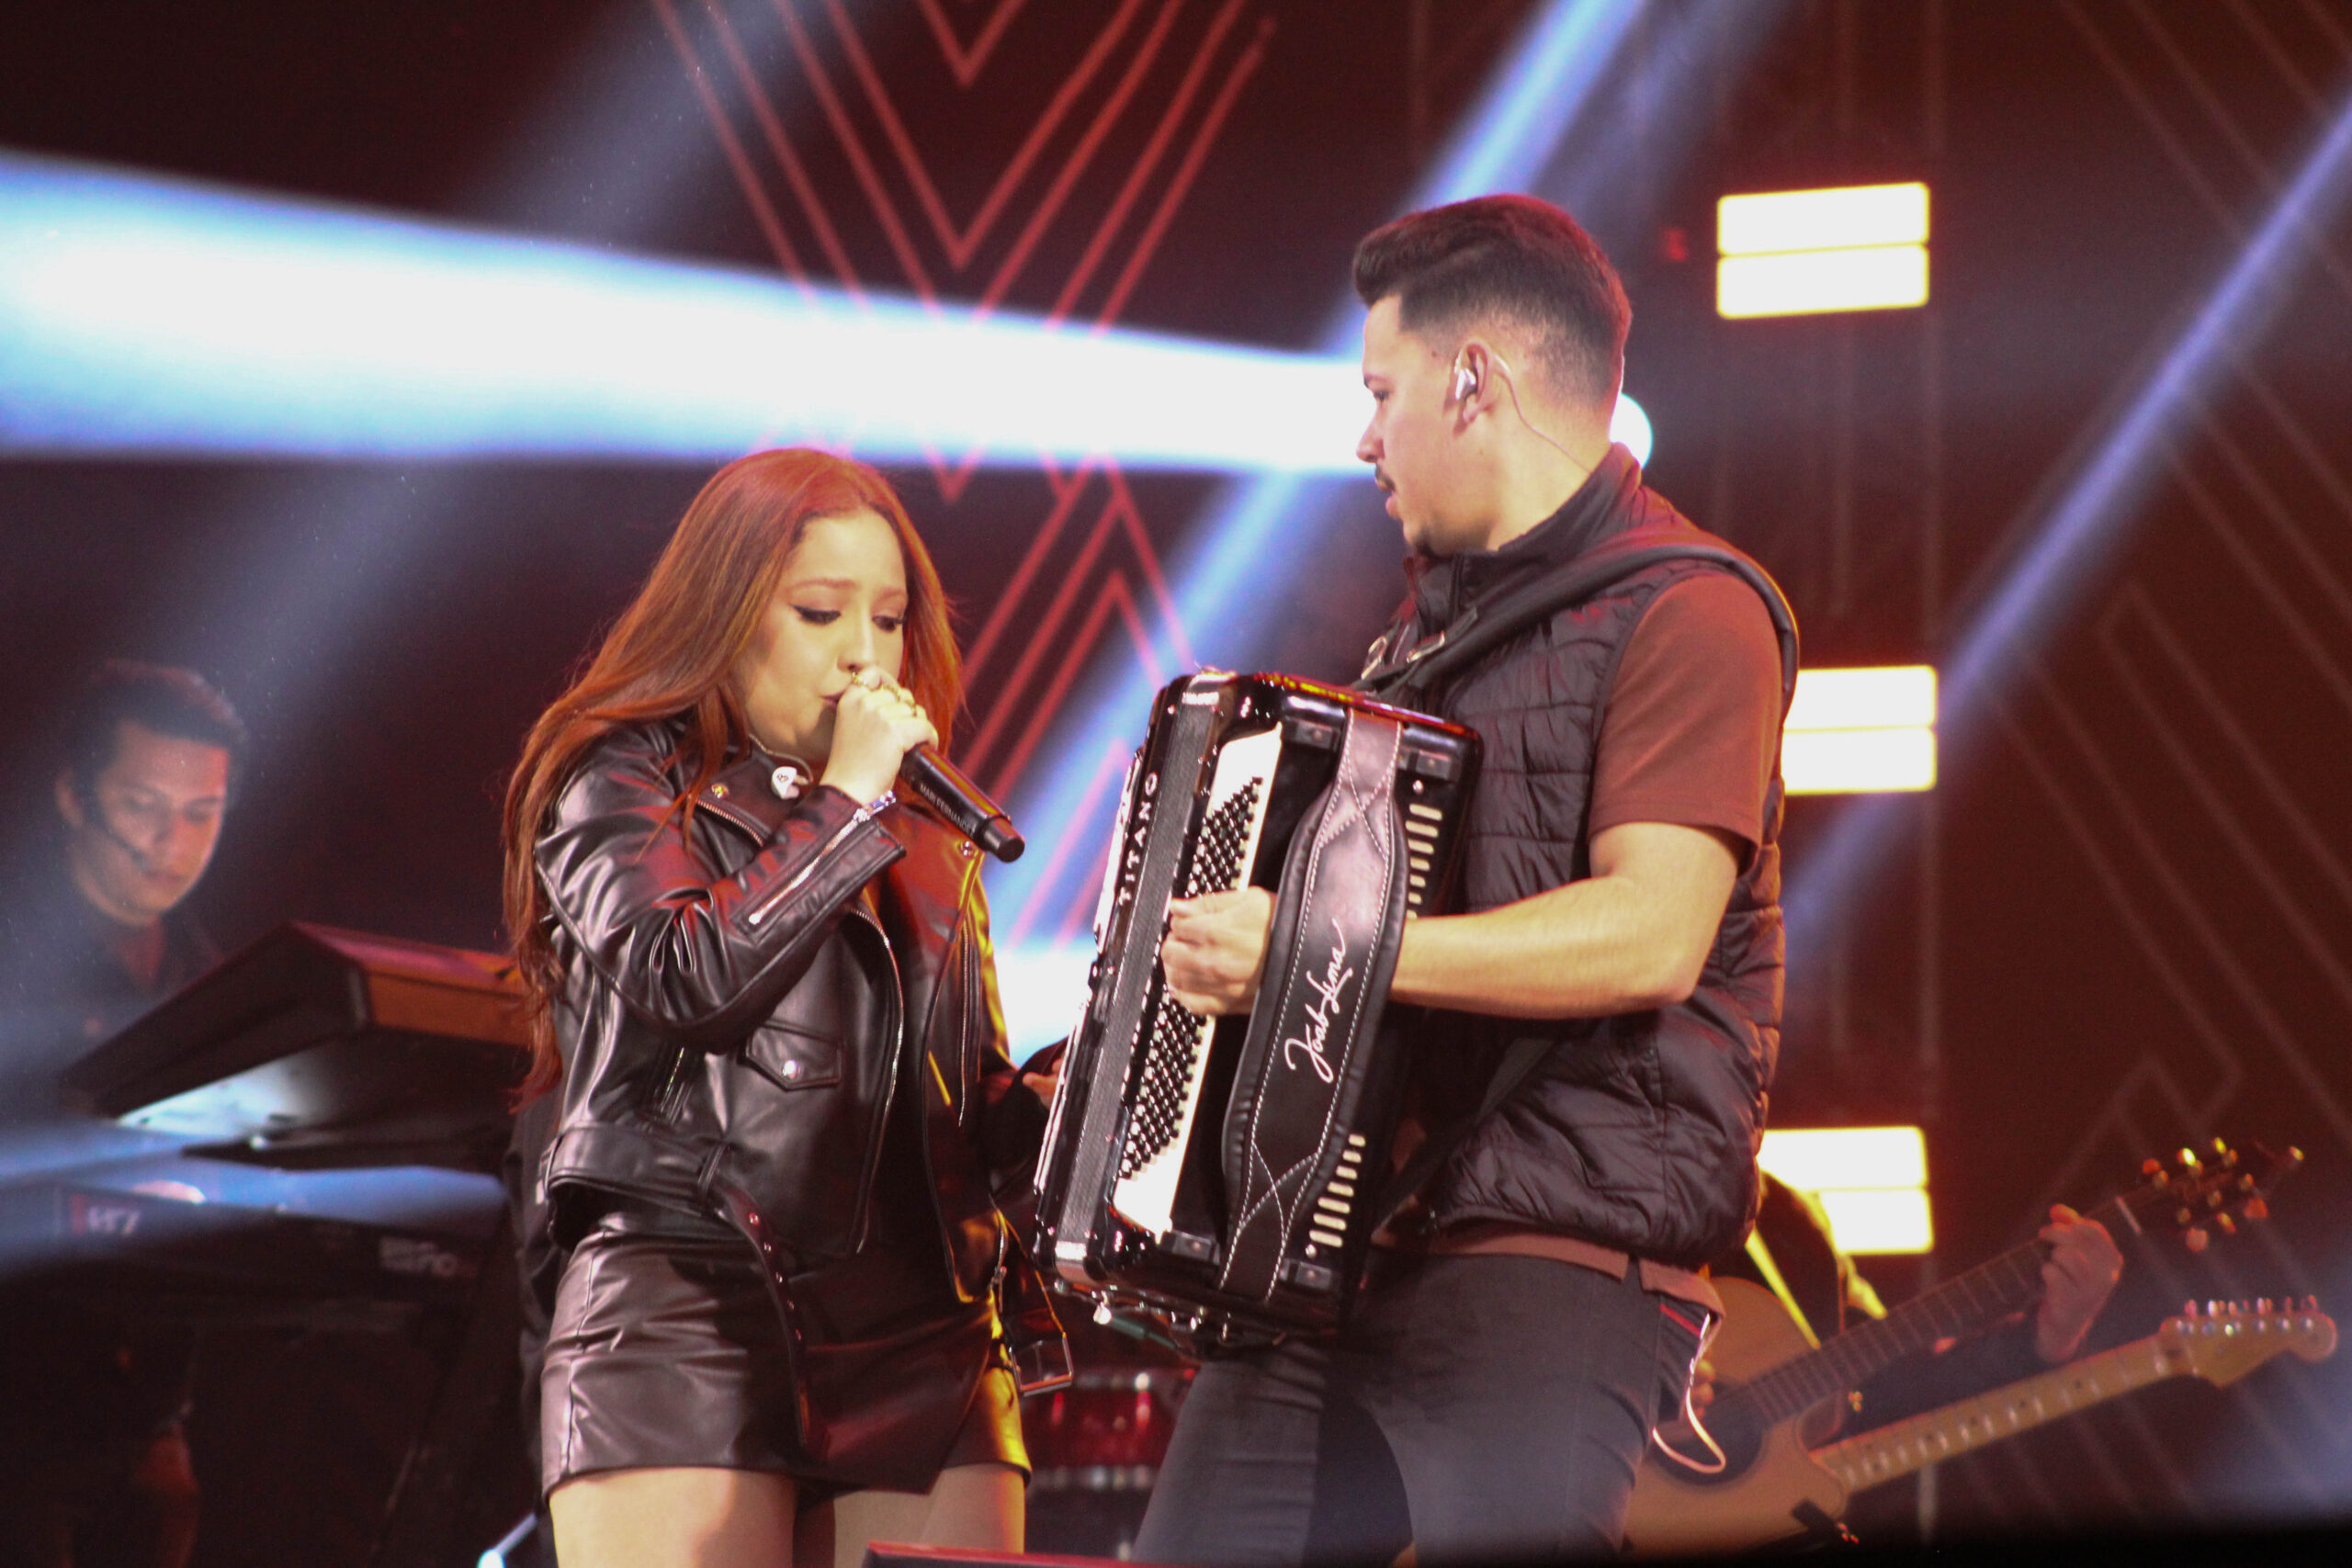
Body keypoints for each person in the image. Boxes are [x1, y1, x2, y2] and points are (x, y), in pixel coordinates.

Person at [1136, 194, 1798, 1564]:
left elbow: (1650, 934)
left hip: (1556, 1258)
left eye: (1380, 392)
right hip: (1341, 1247)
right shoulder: (1411, 648)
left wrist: (1306, 951)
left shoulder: (1697, 609)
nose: (1363, 438)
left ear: (1470, 380)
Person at [501, 448, 1058, 1568]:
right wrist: (846, 803)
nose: (865, 654)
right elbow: (684, 975)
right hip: (690, 1308)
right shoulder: (619, 775)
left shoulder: (926, 839)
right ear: (726, 614)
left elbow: (960, 1106)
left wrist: (1068, 1095)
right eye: (820, 613)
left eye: (889, 621)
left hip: (925, 1333)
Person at [0, 660, 246, 1568]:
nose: (170, 844)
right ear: (74, 796)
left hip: (142, 1427)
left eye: (201, 813)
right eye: (142, 805)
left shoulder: (211, 983)